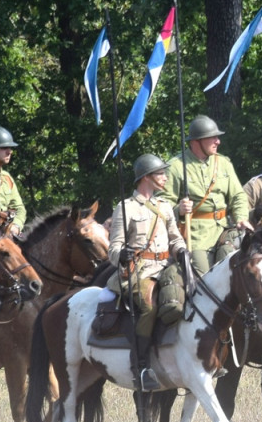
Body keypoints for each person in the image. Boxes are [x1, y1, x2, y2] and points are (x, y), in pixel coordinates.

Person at [108, 153, 188, 391]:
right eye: (160, 173)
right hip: (139, 271)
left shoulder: (164, 206)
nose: (165, 177)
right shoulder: (126, 208)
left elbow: (175, 238)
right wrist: (120, 255)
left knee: (194, 294)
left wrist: (182, 250)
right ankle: (140, 366)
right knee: (148, 305)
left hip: (167, 267)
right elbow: (114, 247)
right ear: (146, 178)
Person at [164, 115, 251, 275]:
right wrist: (179, 210)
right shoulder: (176, 167)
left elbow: (238, 196)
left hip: (224, 231)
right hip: (195, 235)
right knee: (202, 279)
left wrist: (241, 218)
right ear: (196, 142)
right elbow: (162, 206)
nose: (218, 141)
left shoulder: (223, 163)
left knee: (234, 272)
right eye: (212, 138)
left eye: (217, 137)